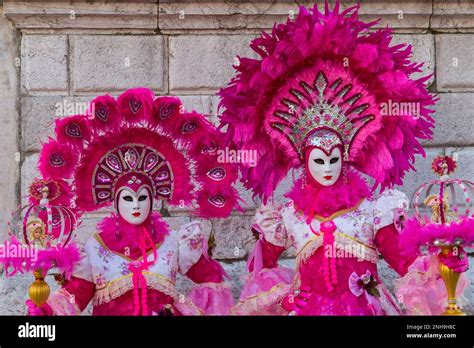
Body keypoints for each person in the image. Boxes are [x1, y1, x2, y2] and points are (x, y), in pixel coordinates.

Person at [218, 2, 468, 315]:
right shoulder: (288, 217)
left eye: (334, 159)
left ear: (346, 158)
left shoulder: (373, 212)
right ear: (303, 161)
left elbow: (404, 263)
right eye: (319, 161)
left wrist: (441, 262)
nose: (327, 167)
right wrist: (285, 300)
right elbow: (261, 272)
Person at [26, 88, 239, 316]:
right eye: (128, 198)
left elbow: (210, 278)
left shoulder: (173, 243)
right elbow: (78, 294)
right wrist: (46, 311)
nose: (136, 205)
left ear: (153, 198)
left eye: (142, 197)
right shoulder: (95, 248)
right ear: (115, 203)